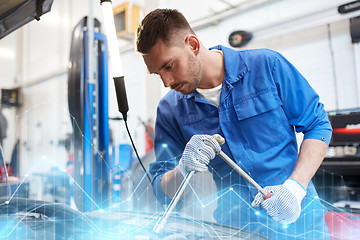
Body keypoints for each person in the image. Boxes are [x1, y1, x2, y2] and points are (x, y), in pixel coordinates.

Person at [135, 8, 332, 239]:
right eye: (157, 73)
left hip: (300, 224)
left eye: (169, 66)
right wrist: (183, 169)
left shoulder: (267, 66)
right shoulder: (170, 110)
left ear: (193, 44)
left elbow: (317, 125)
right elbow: (163, 189)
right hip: (235, 229)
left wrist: (295, 189)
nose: (167, 81)